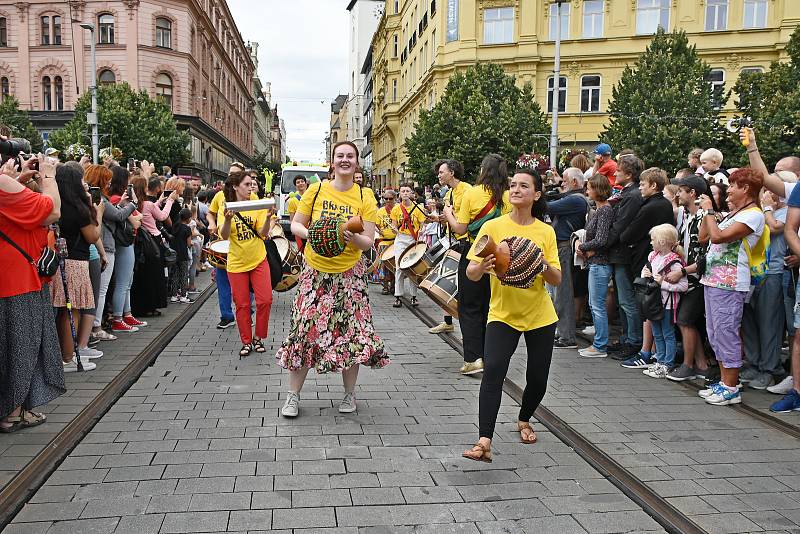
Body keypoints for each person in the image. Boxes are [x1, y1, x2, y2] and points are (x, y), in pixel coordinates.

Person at [277, 141, 387, 417]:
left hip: (349, 276)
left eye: (350, 156)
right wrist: (315, 232)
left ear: (357, 162)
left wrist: (353, 237)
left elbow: (368, 242)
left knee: (352, 335)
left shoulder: (365, 196)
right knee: (303, 332)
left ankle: (350, 395)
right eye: (340, 156)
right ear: (332, 161)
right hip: (315, 274)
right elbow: (297, 225)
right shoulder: (315, 191)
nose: (345, 160)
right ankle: (292, 397)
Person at [462, 168, 561, 462]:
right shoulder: (493, 228)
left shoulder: (546, 231)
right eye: (512, 185)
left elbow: (556, 279)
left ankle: (524, 418)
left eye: (523, 186)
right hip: (502, 314)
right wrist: (483, 266)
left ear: (537, 195)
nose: (515, 189)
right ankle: (484, 441)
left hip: (540, 315)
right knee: (492, 372)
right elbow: (471, 272)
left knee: (538, 379)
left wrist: (539, 263)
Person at [0, 153, 65, 432]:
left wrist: (17, 179)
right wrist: (49, 176)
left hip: (13, 278)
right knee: (21, 346)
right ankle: (12, 412)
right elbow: (51, 211)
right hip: (18, 280)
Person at [698, 168, 765, 406]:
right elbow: (704, 237)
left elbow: (718, 238)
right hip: (713, 279)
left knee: (727, 331)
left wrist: (708, 211)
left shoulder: (753, 214)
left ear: (746, 188)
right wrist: (709, 213)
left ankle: (731, 386)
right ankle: (726, 381)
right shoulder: (734, 213)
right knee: (715, 333)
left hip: (731, 281)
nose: (728, 191)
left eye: (733, 186)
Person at [444, 154, 511, 375]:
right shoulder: (509, 196)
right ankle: (491, 355)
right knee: (492, 307)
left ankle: (473, 358)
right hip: (502, 257)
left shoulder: (473, 193)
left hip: (476, 254)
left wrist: (448, 215)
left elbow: (461, 229)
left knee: (470, 308)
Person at [51, 162, 103, 372]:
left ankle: (66, 354)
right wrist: (97, 212)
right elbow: (93, 235)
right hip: (75, 263)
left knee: (64, 310)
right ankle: (68, 357)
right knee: (72, 311)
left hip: (59, 262)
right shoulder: (79, 209)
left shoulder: (56, 205)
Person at [219, 172, 275, 357]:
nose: (251, 187)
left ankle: (259, 336)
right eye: (247, 184)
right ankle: (246, 341)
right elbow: (224, 235)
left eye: (252, 184)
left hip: (258, 258)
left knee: (265, 300)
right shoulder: (225, 205)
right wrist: (227, 219)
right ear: (235, 187)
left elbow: (263, 233)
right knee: (242, 304)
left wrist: (267, 217)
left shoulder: (257, 202)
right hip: (237, 262)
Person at [739, 188, 788, 390]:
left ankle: (769, 369)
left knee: (769, 323)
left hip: (772, 272)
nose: (766, 192)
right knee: (749, 321)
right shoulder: (758, 211)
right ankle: (753, 362)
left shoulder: (785, 212)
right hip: (751, 273)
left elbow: (775, 228)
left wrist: (767, 207)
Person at [85, 164, 137, 341]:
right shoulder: (101, 200)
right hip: (104, 247)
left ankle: (95, 326)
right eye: (106, 180)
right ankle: (96, 327)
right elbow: (119, 216)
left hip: (104, 247)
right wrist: (133, 204)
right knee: (101, 290)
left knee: (100, 290)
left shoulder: (95, 198)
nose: (109, 183)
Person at [665, 175, 710, 380]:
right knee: (687, 321)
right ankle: (701, 365)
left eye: (682, 191)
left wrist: (682, 271)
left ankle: (688, 365)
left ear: (693, 194)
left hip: (699, 279)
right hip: (690, 277)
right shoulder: (688, 216)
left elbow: (705, 257)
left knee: (685, 320)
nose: (678, 194)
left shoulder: (704, 217)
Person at [604, 156, 644, 360]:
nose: (615, 173)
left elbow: (621, 225)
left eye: (618, 171)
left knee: (627, 301)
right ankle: (627, 337)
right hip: (619, 254)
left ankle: (633, 340)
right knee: (622, 300)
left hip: (624, 255)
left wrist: (603, 243)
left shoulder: (632, 195)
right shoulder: (627, 193)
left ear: (628, 174)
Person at [207, 163, 254, 329]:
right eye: (230, 174)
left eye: (235, 174)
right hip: (224, 243)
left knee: (246, 283)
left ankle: (247, 312)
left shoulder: (251, 197)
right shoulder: (220, 196)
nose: (231, 176)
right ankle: (227, 316)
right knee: (223, 282)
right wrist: (211, 223)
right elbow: (210, 213)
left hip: (243, 246)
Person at [546, 167, 588, 349]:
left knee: (563, 293)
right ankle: (562, 332)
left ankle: (566, 336)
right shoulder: (571, 198)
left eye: (564, 180)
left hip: (564, 248)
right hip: (560, 248)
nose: (561, 183)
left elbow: (547, 207)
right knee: (558, 293)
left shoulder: (576, 200)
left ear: (575, 183)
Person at [640, 224, 687, 378]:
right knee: (657, 333)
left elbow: (683, 286)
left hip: (668, 304)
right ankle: (659, 361)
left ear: (662, 241)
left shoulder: (675, 262)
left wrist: (663, 284)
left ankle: (668, 363)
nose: (651, 243)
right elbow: (645, 272)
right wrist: (645, 273)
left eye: (653, 240)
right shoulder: (652, 256)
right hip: (654, 302)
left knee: (667, 333)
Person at [430, 159, 470, 334]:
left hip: (463, 242)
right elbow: (450, 217)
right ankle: (447, 321)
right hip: (451, 240)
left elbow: (463, 220)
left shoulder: (467, 190)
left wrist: (449, 215)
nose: (439, 175)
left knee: (459, 283)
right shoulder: (449, 193)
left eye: (441, 172)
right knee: (447, 281)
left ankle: (463, 321)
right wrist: (440, 218)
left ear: (452, 172)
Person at [577, 175, 614, 358]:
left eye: (590, 188)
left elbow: (601, 239)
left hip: (600, 263)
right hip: (595, 262)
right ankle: (599, 343)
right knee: (595, 304)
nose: (587, 191)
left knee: (597, 305)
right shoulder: (599, 210)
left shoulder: (605, 210)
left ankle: (600, 345)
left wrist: (581, 246)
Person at [131, 175, 176, 317]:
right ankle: (152, 306)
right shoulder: (147, 204)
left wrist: (158, 201)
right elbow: (162, 216)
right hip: (153, 241)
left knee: (142, 276)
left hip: (141, 242)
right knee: (155, 276)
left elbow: (148, 212)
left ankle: (140, 307)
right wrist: (169, 201)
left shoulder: (134, 204)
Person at [107, 166, 145, 332]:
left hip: (126, 241)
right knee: (123, 282)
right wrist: (132, 205)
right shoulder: (116, 199)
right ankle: (118, 317)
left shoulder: (118, 199)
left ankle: (126, 314)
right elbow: (137, 220)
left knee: (127, 281)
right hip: (123, 243)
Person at [390, 183, 426, 307]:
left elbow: (422, 224)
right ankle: (398, 296)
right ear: (399, 194)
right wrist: (394, 229)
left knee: (412, 268)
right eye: (403, 191)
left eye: (407, 191)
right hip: (401, 239)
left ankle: (413, 296)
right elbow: (394, 224)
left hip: (413, 239)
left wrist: (422, 230)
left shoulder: (418, 208)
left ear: (411, 193)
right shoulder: (396, 209)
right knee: (399, 267)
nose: (405, 193)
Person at [169, 208, 193, 303]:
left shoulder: (174, 227)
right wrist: (192, 244)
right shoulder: (187, 229)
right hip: (183, 254)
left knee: (175, 274)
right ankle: (183, 295)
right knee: (183, 275)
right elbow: (188, 243)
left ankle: (174, 295)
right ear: (187, 218)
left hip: (174, 255)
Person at [376, 189, 397, 295]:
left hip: (395, 242)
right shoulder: (380, 211)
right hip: (384, 242)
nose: (388, 201)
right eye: (386, 199)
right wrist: (379, 231)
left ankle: (393, 286)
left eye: (390, 198)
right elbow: (376, 224)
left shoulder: (398, 209)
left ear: (395, 198)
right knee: (383, 266)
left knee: (394, 266)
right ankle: (385, 287)